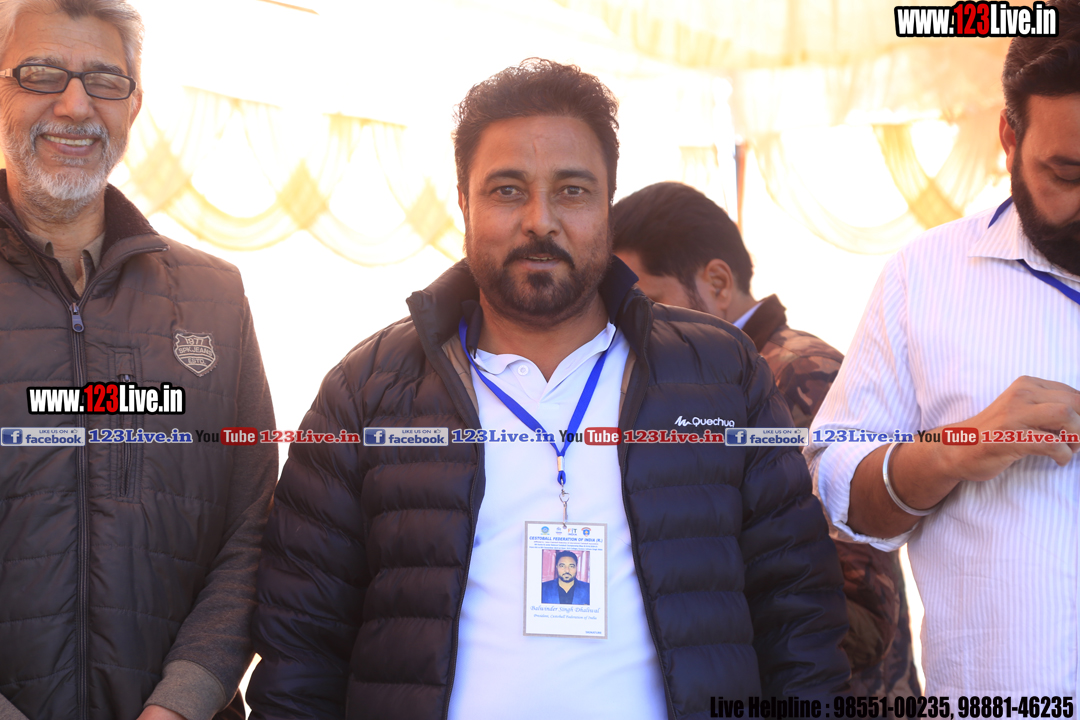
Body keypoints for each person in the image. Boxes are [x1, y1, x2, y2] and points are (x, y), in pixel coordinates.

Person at [248, 58, 848, 719]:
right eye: (507, 190)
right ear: (464, 204)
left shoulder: (718, 373)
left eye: (572, 191)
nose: (540, 220)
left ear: (607, 205)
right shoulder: (367, 391)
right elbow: (300, 648)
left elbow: (798, 613)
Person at [0, 2, 277, 720]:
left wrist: (183, 702)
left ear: (134, 104)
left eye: (104, 80)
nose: (75, 105)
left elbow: (254, 524)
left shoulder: (216, 298)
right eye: (41, 74)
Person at [806, 0, 1080, 695]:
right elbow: (841, 489)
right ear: (1009, 138)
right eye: (1068, 176)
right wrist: (949, 451)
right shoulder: (924, 278)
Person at [611, 181, 920, 698]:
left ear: (717, 282)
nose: (632, 330)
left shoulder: (801, 375)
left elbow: (865, 618)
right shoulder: (707, 383)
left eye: (651, 304)